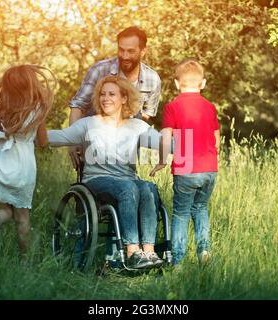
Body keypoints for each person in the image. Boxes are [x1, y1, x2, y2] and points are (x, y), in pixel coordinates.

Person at [48, 76, 164, 269]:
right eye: (102, 94)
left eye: (112, 94)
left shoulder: (137, 127)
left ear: (124, 98)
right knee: (128, 187)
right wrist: (27, 133)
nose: (105, 98)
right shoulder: (89, 124)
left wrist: (194, 146)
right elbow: (61, 136)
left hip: (127, 182)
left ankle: (149, 252)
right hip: (96, 182)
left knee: (148, 188)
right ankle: (132, 251)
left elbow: (165, 143)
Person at [0, 65, 56, 257]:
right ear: (31, 85)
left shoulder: (6, 109)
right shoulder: (37, 110)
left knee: (5, 209)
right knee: (22, 217)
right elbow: (43, 142)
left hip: (2, 162)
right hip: (23, 165)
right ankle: (25, 262)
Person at [150, 59, 221, 266]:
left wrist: (162, 160)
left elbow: (165, 137)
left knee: (180, 213)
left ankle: (178, 261)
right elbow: (217, 140)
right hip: (209, 168)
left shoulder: (173, 107)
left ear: (176, 83)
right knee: (200, 209)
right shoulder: (210, 107)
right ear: (203, 83)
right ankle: (204, 251)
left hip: (185, 167)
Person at [68, 26, 161, 170]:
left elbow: (146, 114)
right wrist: (73, 140)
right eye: (121, 49)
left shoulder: (152, 79)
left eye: (130, 51)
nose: (124, 55)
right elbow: (78, 105)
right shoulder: (100, 70)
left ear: (143, 51)